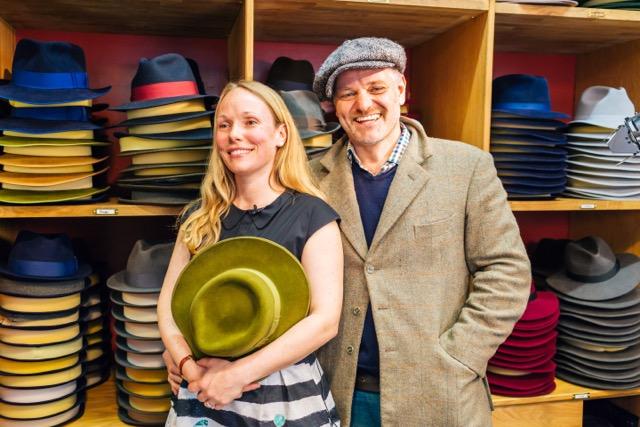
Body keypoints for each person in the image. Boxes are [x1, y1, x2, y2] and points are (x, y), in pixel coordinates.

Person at [309, 37, 532, 426]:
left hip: (439, 392)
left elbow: (506, 271)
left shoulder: (466, 167)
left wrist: (460, 354)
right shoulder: (310, 179)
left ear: (401, 89)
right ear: (334, 106)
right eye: (348, 93)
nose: (363, 104)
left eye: (376, 88)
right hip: (339, 392)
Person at [158, 80, 343, 426]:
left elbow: (324, 321)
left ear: (281, 134)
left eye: (250, 122)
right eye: (224, 125)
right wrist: (187, 366)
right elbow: (168, 308)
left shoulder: (313, 215)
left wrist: (238, 375)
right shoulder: (199, 217)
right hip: (203, 388)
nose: (234, 134)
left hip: (283, 395)